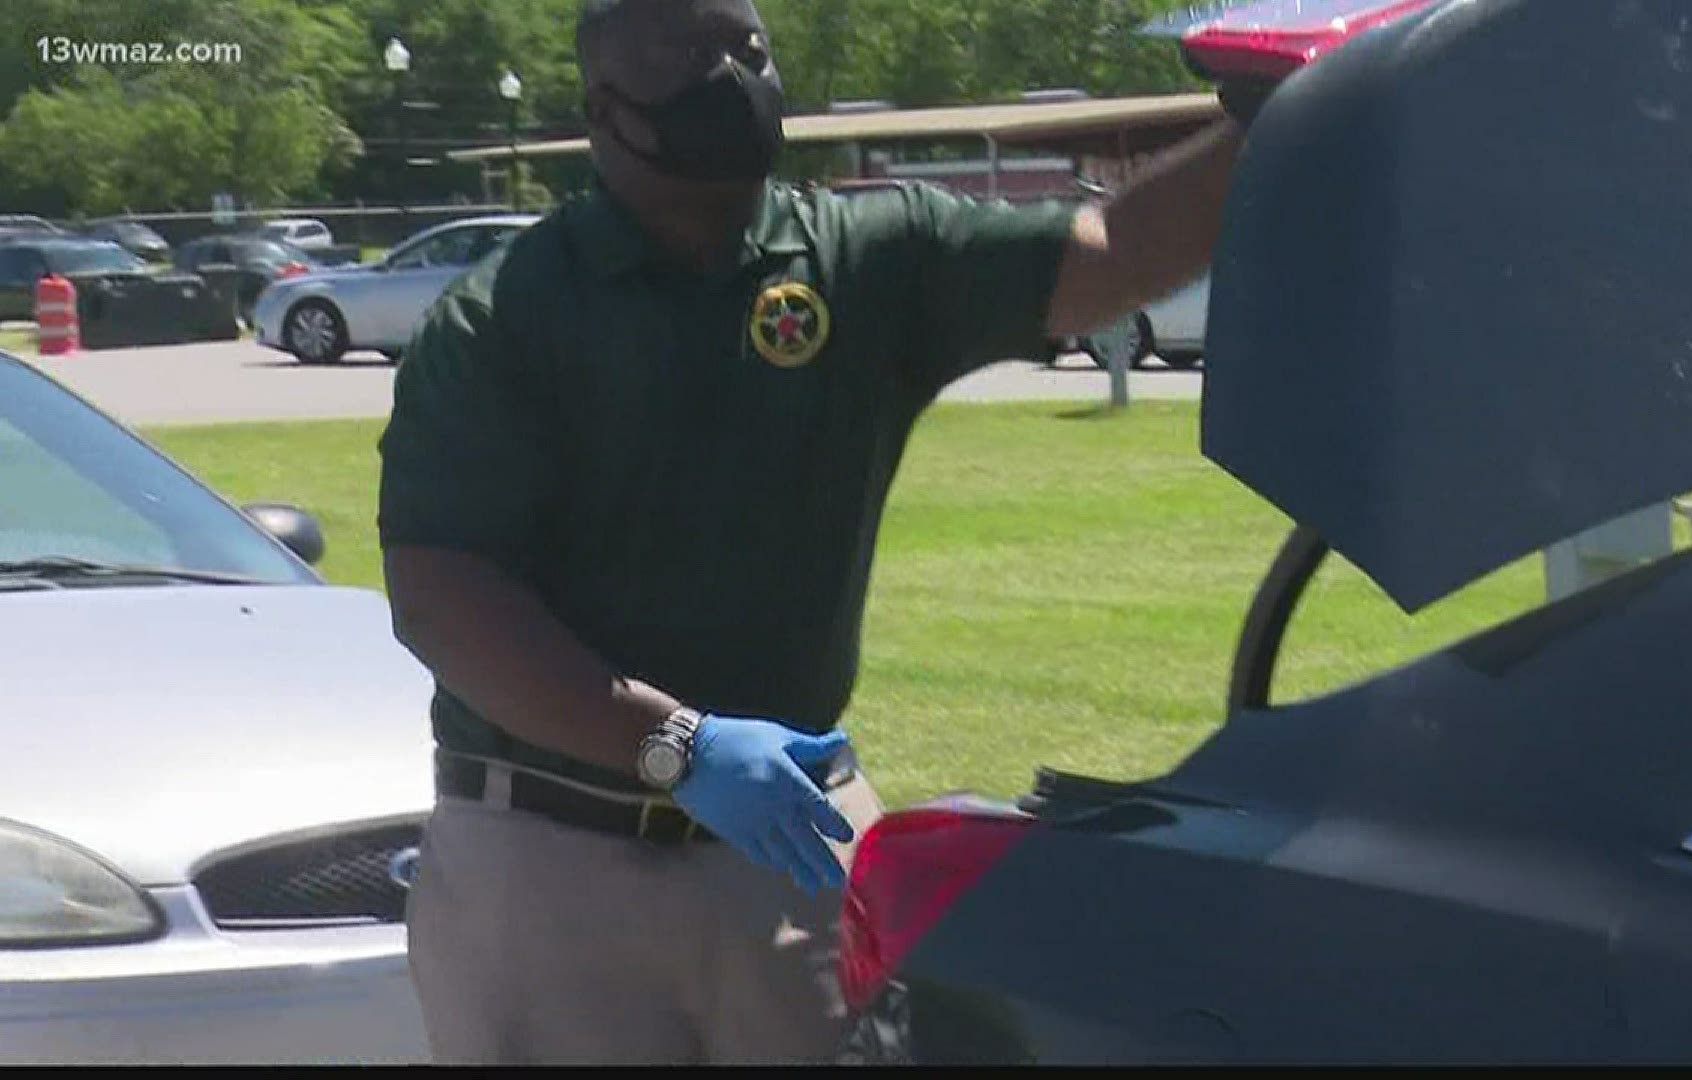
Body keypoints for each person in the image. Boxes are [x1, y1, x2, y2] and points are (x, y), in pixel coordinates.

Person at [379, 0, 1265, 1065]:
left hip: (789, 841)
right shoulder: (505, 318)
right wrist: (675, 745)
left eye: (747, 46)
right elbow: (444, 595)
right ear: (603, 107)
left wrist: (1263, 119)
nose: (731, 73)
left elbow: (1114, 247)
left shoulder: (864, 259)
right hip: (551, 862)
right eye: (686, 51)